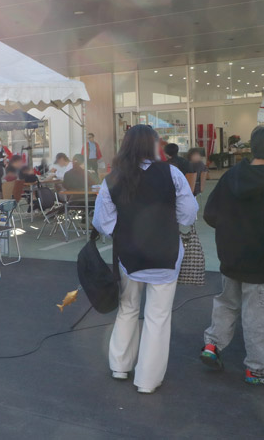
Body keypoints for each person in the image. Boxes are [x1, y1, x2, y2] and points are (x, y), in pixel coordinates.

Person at [93, 124, 197, 394]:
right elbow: (188, 214)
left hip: (129, 255)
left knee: (128, 308)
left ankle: (119, 365)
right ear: (154, 145)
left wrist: (124, 231)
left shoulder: (113, 177)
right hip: (166, 253)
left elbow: (102, 222)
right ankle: (147, 380)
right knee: (157, 317)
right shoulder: (172, 173)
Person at [201, 126, 264, 385]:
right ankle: (256, 368)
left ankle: (212, 345)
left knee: (226, 302)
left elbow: (210, 214)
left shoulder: (232, 175)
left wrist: (231, 230)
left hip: (230, 254)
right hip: (259, 261)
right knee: (256, 314)